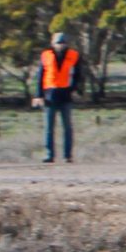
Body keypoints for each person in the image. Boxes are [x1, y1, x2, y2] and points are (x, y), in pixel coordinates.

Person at [30, 31, 81, 164]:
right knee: (49, 128)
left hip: (66, 95)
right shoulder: (45, 55)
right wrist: (38, 95)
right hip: (50, 95)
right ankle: (49, 155)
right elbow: (40, 77)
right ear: (52, 43)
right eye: (58, 43)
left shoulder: (73, 55)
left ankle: (67, 156)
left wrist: (75, 90)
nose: (61, 45)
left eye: (63, 42)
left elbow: (78, 75)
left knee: (67, 127)